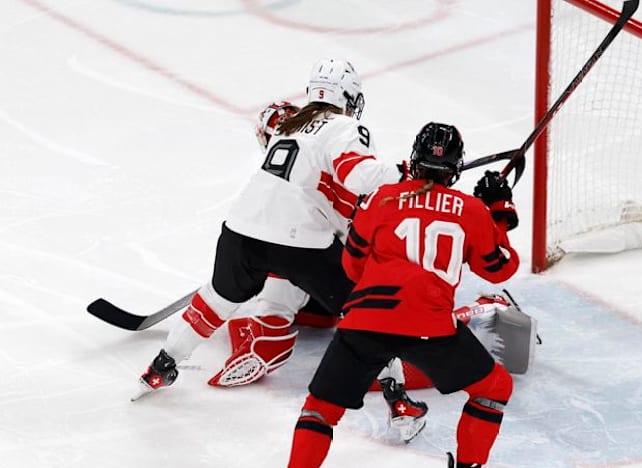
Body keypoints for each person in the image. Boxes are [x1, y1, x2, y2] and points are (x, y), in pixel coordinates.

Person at [135, 59, 428, 440]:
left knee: (215, 300)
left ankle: (161, 366)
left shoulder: (288, 125)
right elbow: (359, 177)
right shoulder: (344, 126)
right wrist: (405, 174)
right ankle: (398, 400)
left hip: (241, 228)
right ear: (348, 97)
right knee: (364, 313)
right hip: (301, 240)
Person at [286, 122, 520, 468]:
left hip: (365, 321)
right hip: (430, 326)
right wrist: (498, 211)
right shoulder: (471, 210)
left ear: (414, 159)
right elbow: (500, 268)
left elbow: (352, 267)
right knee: (494, 389)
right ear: (456, 167)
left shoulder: (382, 198)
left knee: (320, 408)